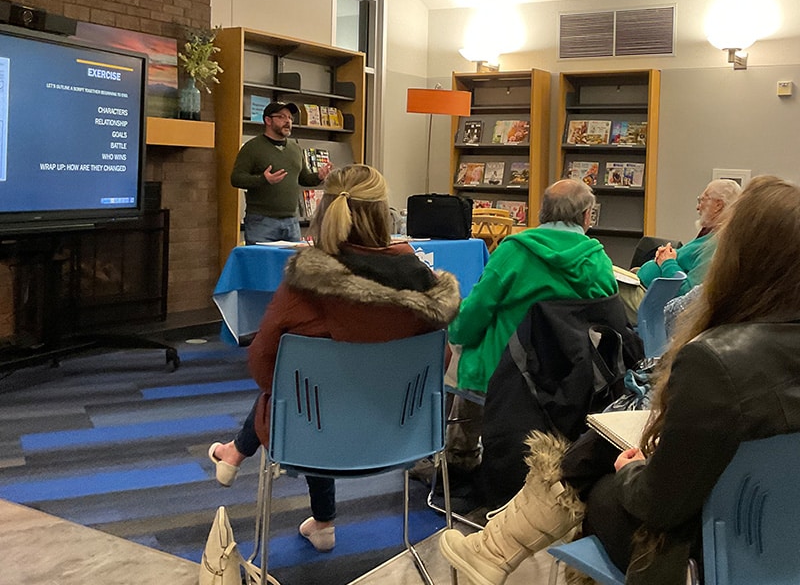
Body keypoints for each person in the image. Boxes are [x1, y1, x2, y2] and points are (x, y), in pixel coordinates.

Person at [439, 174, 800, 585]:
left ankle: (494, 548)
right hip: (780, 538)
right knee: (595, 448)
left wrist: (631, 470)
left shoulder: (713, 361)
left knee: (595, 466)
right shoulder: (595, 258)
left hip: (706, 545)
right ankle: (493, 549)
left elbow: (659, 502)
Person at [208, 165, 461, 552]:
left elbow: (262, 366)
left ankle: (313, 512)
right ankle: (316, 516)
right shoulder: (424, 285)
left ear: (326, 211)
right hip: (401, 435)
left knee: (302, 396)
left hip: (314, 435)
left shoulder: (303, 285)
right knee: (310, 394)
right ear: (384, 214)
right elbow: (438, 365)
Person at [444, 178, 618, 472]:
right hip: (569, 375)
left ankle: (460, 457)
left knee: (462, 348)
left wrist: (456, 333)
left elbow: (475, 314)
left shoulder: (513, 252)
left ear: (542, 212)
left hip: (504, 372)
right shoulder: (598, 261)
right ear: (586, 216)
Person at [230, 101, 331, 244]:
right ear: (268, 120)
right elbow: (236, 179)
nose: (288, 121)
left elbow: (303, 178)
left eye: (290, 118)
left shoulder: (295, 149)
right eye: (282, 117)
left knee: (292, 259)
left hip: (291, 221)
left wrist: (319, 177)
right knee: (262, 258)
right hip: (261, 221)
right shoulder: (252, 148)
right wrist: (263, 179)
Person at [636, 178, 741, 296]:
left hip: (651, 298)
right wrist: (667, 255)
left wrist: (667, 262)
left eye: (702, 200)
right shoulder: (709, 235)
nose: (698, 207)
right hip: (646, 287)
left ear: (718, 205)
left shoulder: (716, 244)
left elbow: (690, 294)